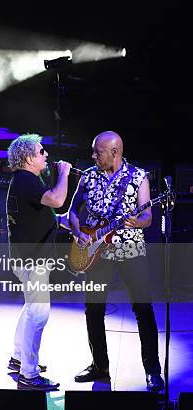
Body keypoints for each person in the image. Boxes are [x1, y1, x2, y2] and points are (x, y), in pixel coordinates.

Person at [68, 131, 164, 392]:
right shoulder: (88, 176)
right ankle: (100, 366)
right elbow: (72, 212)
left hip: (129, 249)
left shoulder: (138, 176)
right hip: (96, 251)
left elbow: (148, 218)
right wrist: (79, 234)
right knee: (94, 310)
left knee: (143, 310)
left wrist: (137, 221)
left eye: (97, 152)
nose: (93, 156)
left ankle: (153, 371)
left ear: (114, 151)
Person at [5, 134, 71, 391]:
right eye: (41, 151)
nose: (46, 155)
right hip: (33, 260)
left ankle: (18, 358)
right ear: (29, 157)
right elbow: (56, 200)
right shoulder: (26, 180)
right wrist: (64, 174)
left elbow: (45, 213)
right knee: (39, 313)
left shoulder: (25, 181)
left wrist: (65, 221)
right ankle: (29, 375)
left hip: (27, 257)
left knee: (31, 308)